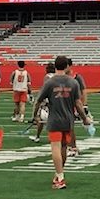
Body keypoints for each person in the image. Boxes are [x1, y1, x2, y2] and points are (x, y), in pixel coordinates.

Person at [35, 56, 84, 190]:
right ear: (67, 66)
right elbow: (78, 104)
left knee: (55, 148)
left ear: (55, 66)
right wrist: (84, 118)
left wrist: (35, 115)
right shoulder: (73, 82)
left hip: (55, 119)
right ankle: (59, 174)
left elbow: (38, 100)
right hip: (68, 120)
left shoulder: (50, 82)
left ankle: (60, 178)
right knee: (63, 147)